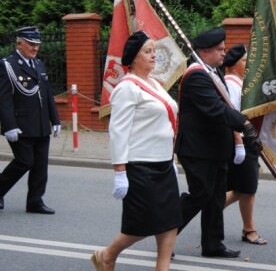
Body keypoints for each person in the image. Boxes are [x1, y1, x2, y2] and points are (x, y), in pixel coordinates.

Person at [91, 31, 182, 271]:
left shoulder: (154, 84)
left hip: (163, 163)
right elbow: (118, 132)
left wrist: (170, 158)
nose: (154, 56)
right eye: (148, 51)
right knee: (143, 223)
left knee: (170, 220)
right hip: (140, 165)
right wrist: (120, 171)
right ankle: (108, 255)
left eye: (154, 51)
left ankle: (162, 268)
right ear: (133, 58)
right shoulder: (127, 88)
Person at [174, 28, 262, 258]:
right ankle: (165, 231)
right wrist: (244, 124)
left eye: (224, 49)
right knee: (200, 195)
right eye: (219, 50)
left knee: (215, 198)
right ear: (204, 51)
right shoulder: (196, 76)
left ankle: (213, 244)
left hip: (215, 149)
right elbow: (216, 109)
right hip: (198, 149)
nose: (224, 54)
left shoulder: (212, 72)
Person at [0, 26, 61, 214]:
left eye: (37, 45)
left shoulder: (39, 65)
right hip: (21, 125)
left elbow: (47, 94)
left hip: (41, 124)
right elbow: (4, 98)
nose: (35, 48)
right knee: (25, 161)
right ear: (19, 43)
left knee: (40, 165)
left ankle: (35, 201)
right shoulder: (7, 65)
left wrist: (55, 120)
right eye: (31, 44)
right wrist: (9, 125)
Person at [222, 43, 267, 245]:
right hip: (240, 141)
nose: (248, 64)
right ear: (232, 66)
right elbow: (232, 115)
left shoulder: (241, 83)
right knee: (248, 187)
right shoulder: (230, 83)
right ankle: (249, 230)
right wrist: (239, 143)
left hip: (249, 141)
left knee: (244, 187)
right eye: (243, 61)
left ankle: (211, 209)